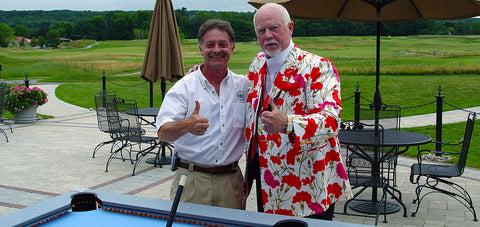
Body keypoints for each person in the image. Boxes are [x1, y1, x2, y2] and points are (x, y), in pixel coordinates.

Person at [244, 3, 352, 220]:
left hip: (307, 185)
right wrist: (206, 73)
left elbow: (331, 120)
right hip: (267, 180)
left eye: (274, 28)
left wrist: (289, 123)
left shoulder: (317, 66)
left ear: (290, 27)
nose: (268, 36)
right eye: (261, 31)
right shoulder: (256, 64)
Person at [156, 19, 247, 210]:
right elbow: (163, 133)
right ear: (200, 49)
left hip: (230, 182)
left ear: (232, 47)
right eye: (210, 45)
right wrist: (185, 125)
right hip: (192, 181)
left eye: (222, 44)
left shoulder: (244, 86)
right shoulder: (185, 87)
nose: (216, 50)